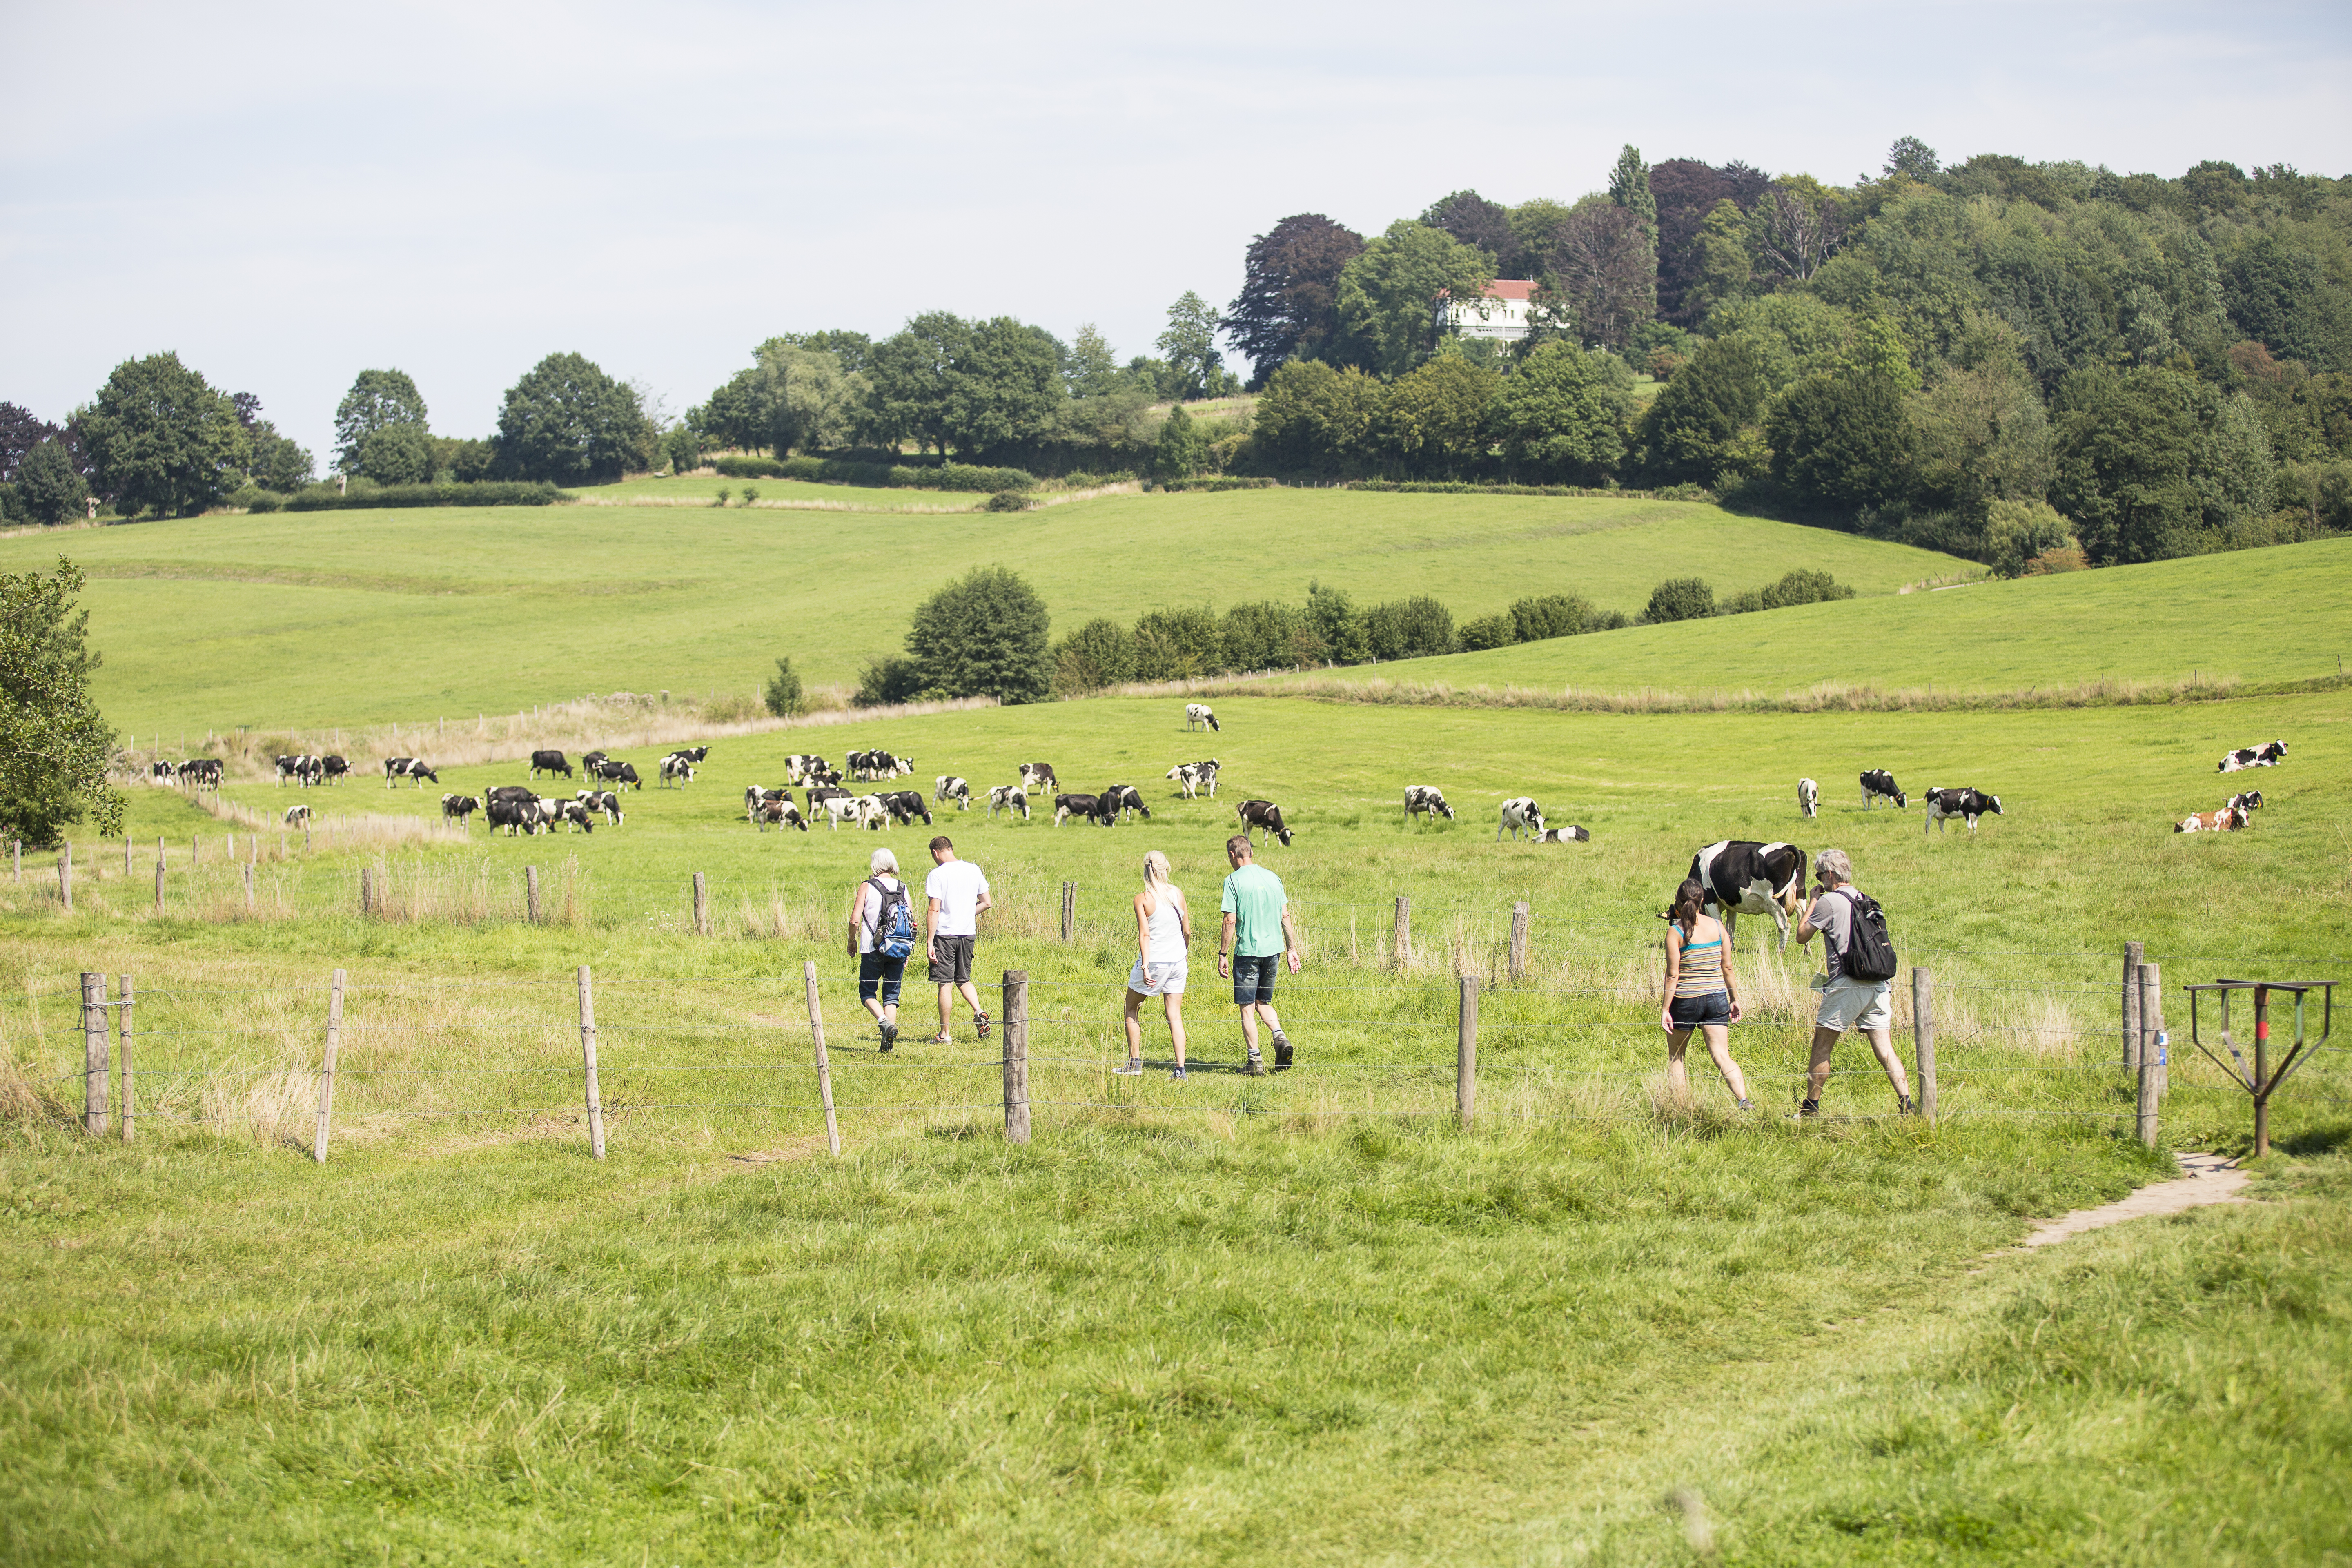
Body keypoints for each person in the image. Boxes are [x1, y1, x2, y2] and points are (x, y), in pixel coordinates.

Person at [1793, 847, 1913, 1116]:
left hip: (1846, 984)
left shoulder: (1829, 902)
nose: (1819, 880)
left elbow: (1802, 936)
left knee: (1822, 1046)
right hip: (1878, 983)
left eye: (1820, 874)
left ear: (1832, 874)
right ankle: (1907, 1102)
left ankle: (1810, 1109)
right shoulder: (1867, 900)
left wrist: (1812, 901)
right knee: (1885, 1050)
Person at [1659, 876, 1753, 1110]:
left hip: (1687, 999)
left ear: (1678, 902)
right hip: (1717, 999)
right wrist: (1735, 999)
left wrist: (1665, 1009)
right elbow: (1727, 967)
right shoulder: (1719, 927)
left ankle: (1682, 1109)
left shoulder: (1676, 932)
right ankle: (1744, 1101)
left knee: (1677, 1057)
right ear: (1702, 901)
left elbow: (1673, 975)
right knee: (1722, 1056)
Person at [1215, 833, 1301, 1074]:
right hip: (1274, 951)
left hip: (1247, 953)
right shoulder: (1274, 877)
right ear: (1251, 852)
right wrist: (1292, 949)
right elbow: (1285, 916)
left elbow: (1230, 920)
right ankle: (1280, 1037)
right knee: (1263, 1002)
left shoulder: (1233, 881)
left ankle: (1255, 1061)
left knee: (1247, 1007)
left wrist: (1223, 953)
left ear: (1233, 856)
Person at [1118, 850, 1194, 1080]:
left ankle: (1134, 1063)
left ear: (1145, 870)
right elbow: (1187, 931)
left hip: (1155, 962)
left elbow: (1145, 935)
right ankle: (1180, 1069)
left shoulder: (1143, 898)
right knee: (1175, 1016)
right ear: (1165, 869)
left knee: (1131, 1008)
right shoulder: (1177, 894)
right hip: (1178, 962)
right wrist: (1184, 953)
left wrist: (1145, 966)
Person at [922, 835, 992, 1044]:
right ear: (951, 849)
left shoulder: (937, 875)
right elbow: (987, 902)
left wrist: (929, 941)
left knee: (945, 984)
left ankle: (945, 1035)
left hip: (945, 935)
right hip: (968, 933)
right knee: (964, 979)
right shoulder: (974, 869)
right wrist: (966, 914)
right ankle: (979, 1011)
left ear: (936, 853)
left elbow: (934, 909)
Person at [846, 846, 912, 1051]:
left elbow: (855, 920)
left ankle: (885, 1023)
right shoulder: (902, 887)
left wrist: (851, 941)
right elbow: (911, 921)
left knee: (867, 992)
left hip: (872, 947)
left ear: (875, 864)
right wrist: (907, 949)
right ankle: (888, 1042)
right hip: (898, 947)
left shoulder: (868, 886)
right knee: (892, 996)